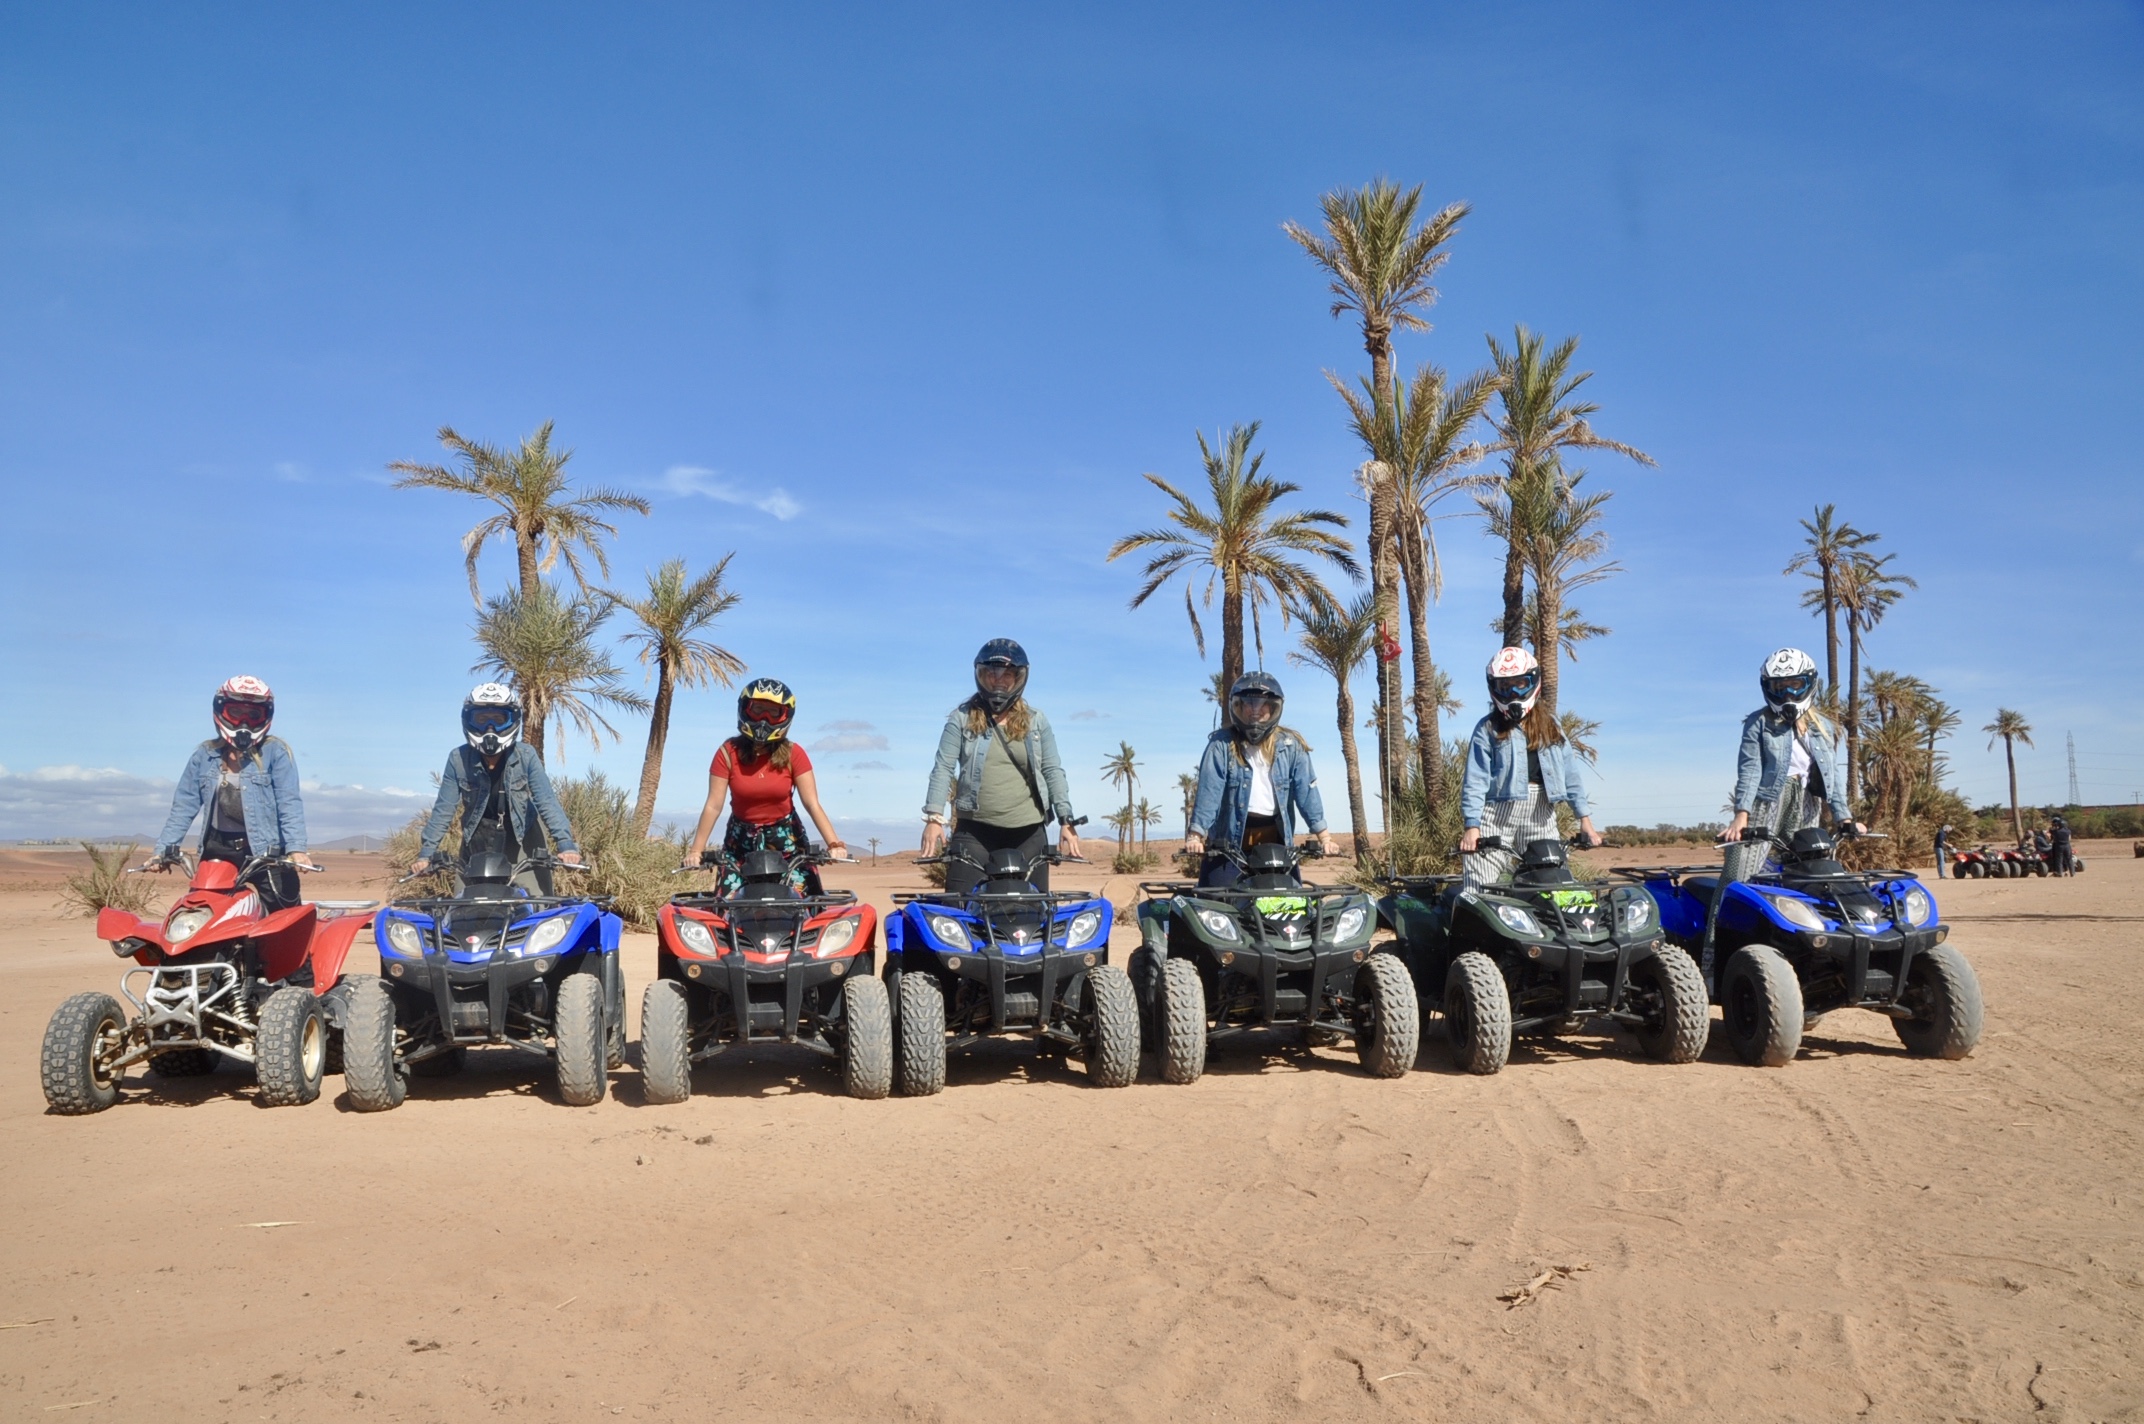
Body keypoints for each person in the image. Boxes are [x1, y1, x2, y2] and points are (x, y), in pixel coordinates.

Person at [1704, 648, 1862, 973]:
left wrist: (1844, 816)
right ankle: (1712, 959)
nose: (1788, 693)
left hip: (1806, 803)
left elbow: (1831, 777)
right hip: (1767, 804)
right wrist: (1742, 815)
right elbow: (1748, 770)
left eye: (1795, 684)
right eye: (1780, 687)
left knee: (1805, 877)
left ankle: (1805, 960)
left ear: (1809, 683)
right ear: (1768, 687)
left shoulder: (1824, 727)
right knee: (1737, 878)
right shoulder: (1757, 723)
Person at [920, 639, 1081, 895]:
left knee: (1033, 912)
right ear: (981, 676)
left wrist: (1066, 821)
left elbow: (1052, 769)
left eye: (1008, 675)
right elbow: (943, 767)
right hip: (975, 832)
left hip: (1028, 833)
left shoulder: (1036, 721)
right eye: (991, 674)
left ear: (1019, 678)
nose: (1000, 681)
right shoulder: (961, 719)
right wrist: (934, 819)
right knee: (958, 909)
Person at [152, 675, 315, 908]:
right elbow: (184, 805)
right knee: (201, 912)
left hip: (266, 851)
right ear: (221, 711)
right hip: (218, 850)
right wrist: (163, 850)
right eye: (236, 713)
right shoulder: (204, 755)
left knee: (285, 917)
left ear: (266, 716)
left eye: (254, 714)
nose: (245, 722)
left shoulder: (275, 752)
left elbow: (288, 802)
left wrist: (296, 849)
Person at [682, 678, 849, 896]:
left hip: (788, 841)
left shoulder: (794, 754)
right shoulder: (727, 753)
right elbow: (714, 805)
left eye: (773, 712)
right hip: (740, 843)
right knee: (725, 907)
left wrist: (834, 844)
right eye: (758, 709)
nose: (764, 719)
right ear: (744, 709)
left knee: (809, 904)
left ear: (785, 717)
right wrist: (696, 851)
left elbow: (812, 803)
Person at [412, 684, 580, 894]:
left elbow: (546, 801)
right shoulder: (458, 758)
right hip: (478, 835)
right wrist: (426, 854)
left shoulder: (526, 755)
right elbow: (444, 809)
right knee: (464, 904)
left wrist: (566, 846)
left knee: (537, 902)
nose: (489, 728)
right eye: (481, 720)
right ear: (468, 720)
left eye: (499, 720)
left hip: (523, 837)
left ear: (513, 720)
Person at [1457, 648, 1600, 887]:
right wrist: (1472, 826)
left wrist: (1584, 820)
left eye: (1520, 683)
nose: (1513, 692)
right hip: (1496, 815)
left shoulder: (1551, 725)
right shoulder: (1488, 728)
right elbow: (1475, 779)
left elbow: (1570, 773)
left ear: (1533, 682)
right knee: (1478, 889)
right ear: (1494, 688)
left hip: (1541, 816)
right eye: (1505, 687)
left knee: (1555, 887)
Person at [1183, 671, 1338, 886]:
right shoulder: (1221, 745)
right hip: (1228, 848)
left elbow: (1307, 792)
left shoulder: (1291, 746)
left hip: (1276, 848)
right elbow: (1209, 792)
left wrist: (1325, 838)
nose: (1255, 710)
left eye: (1263, 704)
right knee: (1215, 907)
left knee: (1292, 908)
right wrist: (1195, 836)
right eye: (1247, 704)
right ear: (1237, 707)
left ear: (1274, 708)